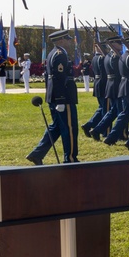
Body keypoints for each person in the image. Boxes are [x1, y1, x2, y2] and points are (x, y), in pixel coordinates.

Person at [26, 30, 79, 164]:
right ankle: (71, 158)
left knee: (56, 128)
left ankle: (37, 154)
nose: (69, 41)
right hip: (62, 98)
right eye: (67, 39)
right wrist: (61, 99)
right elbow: (58, 78)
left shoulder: (52, 53)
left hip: (54, 96)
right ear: (61, 40)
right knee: (69, 128)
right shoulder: (60, 55)